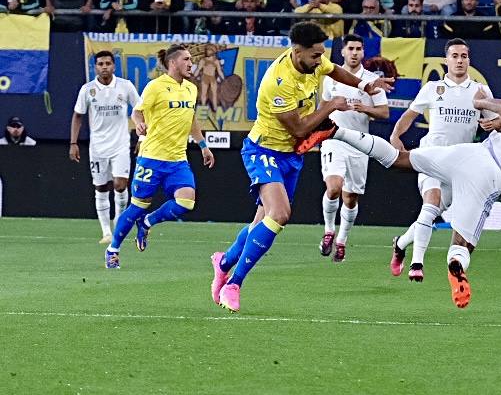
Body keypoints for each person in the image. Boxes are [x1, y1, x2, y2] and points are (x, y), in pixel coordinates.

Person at [313, 92, 501, 318]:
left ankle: (337, 131)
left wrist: (481, 104)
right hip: (489, 178)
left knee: (399, 158)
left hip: (468, 152)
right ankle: (456, 264)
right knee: (463, 244)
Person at [210, 22, 393, 312]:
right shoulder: (278, 82)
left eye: (322, 54)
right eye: (315, 55)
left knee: (262, 224)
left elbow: (334, 70)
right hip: (264, 149)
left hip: (291, 156)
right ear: (297, 52)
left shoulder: (314, 61)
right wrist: (331, 105)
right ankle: (234, 284)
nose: (320, 60)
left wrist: (364, 85)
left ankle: (222, 263)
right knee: (280, 214)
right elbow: (299, 129)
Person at [388, 38, 499, 281]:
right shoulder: (433, 88)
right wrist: (396, 135)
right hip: (431, 155)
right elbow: (409, 115)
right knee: (431, 202)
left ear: (469, 59)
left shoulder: (480, 91)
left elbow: (497, 122)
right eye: (455, 56)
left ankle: (401, 244)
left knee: (430, 214)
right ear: (446, 60)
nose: (460, 60)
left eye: (464, 56)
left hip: (460, 163)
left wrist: (494, 123)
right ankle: (417, 264)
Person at [104, 44, 215, 269]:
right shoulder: (155, 86)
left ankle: (147, 222)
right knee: (137, 206)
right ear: (173, 63)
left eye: (191, 60)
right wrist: (139, 124)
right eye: (186, 60)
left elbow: (191, 120)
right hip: (152, 157)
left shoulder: (191, 89)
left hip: (177, 159)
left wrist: (203, 145)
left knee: (186, 202)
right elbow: (137, 111)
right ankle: (113, 249)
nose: (191, 63)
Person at [319, 35, 389, 262]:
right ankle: (328, 231)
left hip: (359, 144)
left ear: (363, 52)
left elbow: (384, 113)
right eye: (351, 48)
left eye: (359, 49)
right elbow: (323, 106)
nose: (355, 52)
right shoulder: (332, 77)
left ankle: (341, 241)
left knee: (350, 199)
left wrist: (365, 109)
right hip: (334, 139)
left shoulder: (371, 81)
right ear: (343, 52)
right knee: (334, 187)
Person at [70, 51, 141, 244]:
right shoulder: (87, 89)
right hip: (98, 146)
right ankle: (105, 231)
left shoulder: (125, 86)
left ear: (114, 66)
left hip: (120, 144)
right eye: (100, 64)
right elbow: (78, 115)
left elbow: (140, 110)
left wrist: (141, 136)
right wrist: (73, 143)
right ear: (95, 67)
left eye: (108, 63)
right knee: (101, 187)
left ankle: (119, 225)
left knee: (120, 184)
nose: (104, 67)